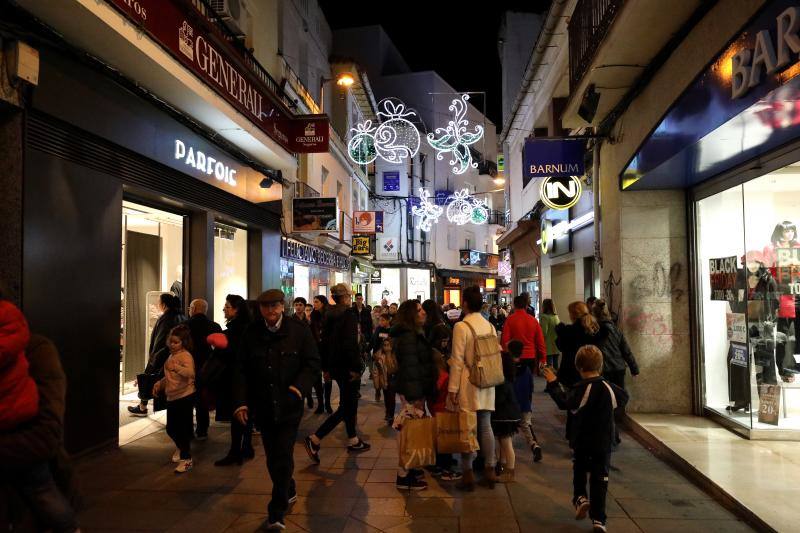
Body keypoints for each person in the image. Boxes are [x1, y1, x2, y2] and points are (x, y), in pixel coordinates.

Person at [232, 289, 321, 530]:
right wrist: (241, 401)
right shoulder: (252, 333)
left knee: (282, 454)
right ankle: (288, 487)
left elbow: (312, 364)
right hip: (262, 406)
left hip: (289, 406)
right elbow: (241, 370)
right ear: (259, 309)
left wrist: (298, 389)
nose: (270, 310)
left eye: (275, 306)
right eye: (265, 306)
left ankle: (276, 510)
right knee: (274, 457)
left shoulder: (298, 331)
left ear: (283, 306)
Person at [0, 298, 79, 532]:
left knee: (42, 491)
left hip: (27, 492)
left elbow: (46, 434)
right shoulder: (19, 336)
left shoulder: (36, 351)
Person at [542, 345, 628, 533]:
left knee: (580, 469)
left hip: (583, 439)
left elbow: (565, 403)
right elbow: (623, 398)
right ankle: (599, 520)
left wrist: (553, 383)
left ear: (578, 366)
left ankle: (580, 498)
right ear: (600, 365)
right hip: (604, 442)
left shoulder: (584, 388)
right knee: (600, 478)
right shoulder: (608, 388)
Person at [304, 284, 371, 464]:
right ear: (346, 297)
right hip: (348, 367)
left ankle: (353, 439)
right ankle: (315, 439)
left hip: (336, 366)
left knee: (348, 403)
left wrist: (326, 368)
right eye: (349, 295)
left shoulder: (329, 315)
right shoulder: (348, 315)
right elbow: (350, 344)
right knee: (347, 407)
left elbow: (323, 343)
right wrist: (357, 368)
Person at [448, 286, 497, 491]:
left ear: (465, 304)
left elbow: (457, 360)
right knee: (485, 425)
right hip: (487, 380)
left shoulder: (461, 327)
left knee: (468, 426)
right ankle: (490, 470)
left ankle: (467, 473)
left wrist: (452, 388)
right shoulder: (489, 325)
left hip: (468, 382)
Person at [391, 299, 437, 490]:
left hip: (415, 389)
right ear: (411, 315)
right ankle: (403, 474)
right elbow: (410, 368)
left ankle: (411, 467)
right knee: (409, 432)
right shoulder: (409, 336)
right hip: (413, 391)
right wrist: (415, 396)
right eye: (419, 311)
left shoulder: (413, 333)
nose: (423, 313)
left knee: (412, 430)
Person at [501, 295, 547, 462]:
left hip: (514, 358)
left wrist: (505, 357)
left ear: (514, 304)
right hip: (529, 358)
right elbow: (540, 341)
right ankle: (526, 412)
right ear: (527, 305)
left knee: (512, 389)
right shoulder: (533, 321)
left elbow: (505, 341)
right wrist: (542, 358)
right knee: (526, 389)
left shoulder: (510, 320)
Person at [212, 295, 254, 466]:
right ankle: (246, 447)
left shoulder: (236, 330)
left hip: (236, 378)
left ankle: (236, 451)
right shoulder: (248, 328)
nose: (224, 309)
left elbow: (234, 355)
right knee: (246, 414)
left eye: (228, 307)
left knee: (237, 413)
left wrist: (220, 347)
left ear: (237, 309)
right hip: (247, 377)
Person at [128, 293, 186, 416]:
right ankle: (144, 406)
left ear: (164, 305)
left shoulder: (166, 319)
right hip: (179, 357)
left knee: (150, 379)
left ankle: (143, 407)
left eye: (158, 302)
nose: (157, 305)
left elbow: (160, 342)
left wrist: (153, 358)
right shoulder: (182, 317)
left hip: (164, 356)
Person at [152, 324, 196, 473]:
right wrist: (160, 383)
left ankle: (186, 458)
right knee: (171, 428)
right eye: (171, 341)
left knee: (182, 429)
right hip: (172, 396)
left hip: (184, 395)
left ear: (183, 342)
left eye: (176, 342)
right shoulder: (171, 355)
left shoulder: (185, 356)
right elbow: (169, 375)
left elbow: (191, 373)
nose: (172, 344)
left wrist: (177, 367)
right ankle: (181, 448)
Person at [186, 299, 222, 440]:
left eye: (190, 307)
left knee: (187, 398)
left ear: (193, 309)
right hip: (207, 368)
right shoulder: (214, 326)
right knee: (202, 399)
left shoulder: (185, 326)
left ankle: (188, 429)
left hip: (187, 367)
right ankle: (202, 429)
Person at [492, 349, 522, 483]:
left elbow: (500, 399)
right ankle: (503, 465)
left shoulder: (502, 381)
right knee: (503, 442)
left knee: (506, 443)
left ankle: (510, 470)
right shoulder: (508, 379)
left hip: (505, 416)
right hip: (507, 415)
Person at [556, 302, 602, 388]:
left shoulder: (569, 331)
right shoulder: (595, 329)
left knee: (571, 399)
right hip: (592, 370)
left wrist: (560, 333)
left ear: (573, 315)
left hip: (571, 371)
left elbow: (561, 347)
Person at [310, 295, 331, 414]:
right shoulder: (314, 315)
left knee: (327, 377)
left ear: (323, 303)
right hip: (316, 349)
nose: (315, 304)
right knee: (317, 377)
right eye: (314, 302)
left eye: (317, 302)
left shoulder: (329, 314)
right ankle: (321, 404)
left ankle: (327, 403)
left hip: (327, 349)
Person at [373, 338, 397, 424]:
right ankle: (388, 413)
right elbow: (376, 371)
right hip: (384, 379)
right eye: (385, 345)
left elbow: (397, 368)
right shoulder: (380, 357)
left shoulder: (395, 355)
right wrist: (377, 385)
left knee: (391, 397)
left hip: (393, 379)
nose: (386, 347)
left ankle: (391, 415)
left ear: (392, 346)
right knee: (387, 397)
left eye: (388, 345)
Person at [540, 299, 561, 369]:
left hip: (548, 345)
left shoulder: (544, 317)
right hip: (556, 344)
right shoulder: (556, 317)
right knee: (556, 366)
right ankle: (556, 379)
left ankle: (550, 380)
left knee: (549, 367)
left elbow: (544, 332)